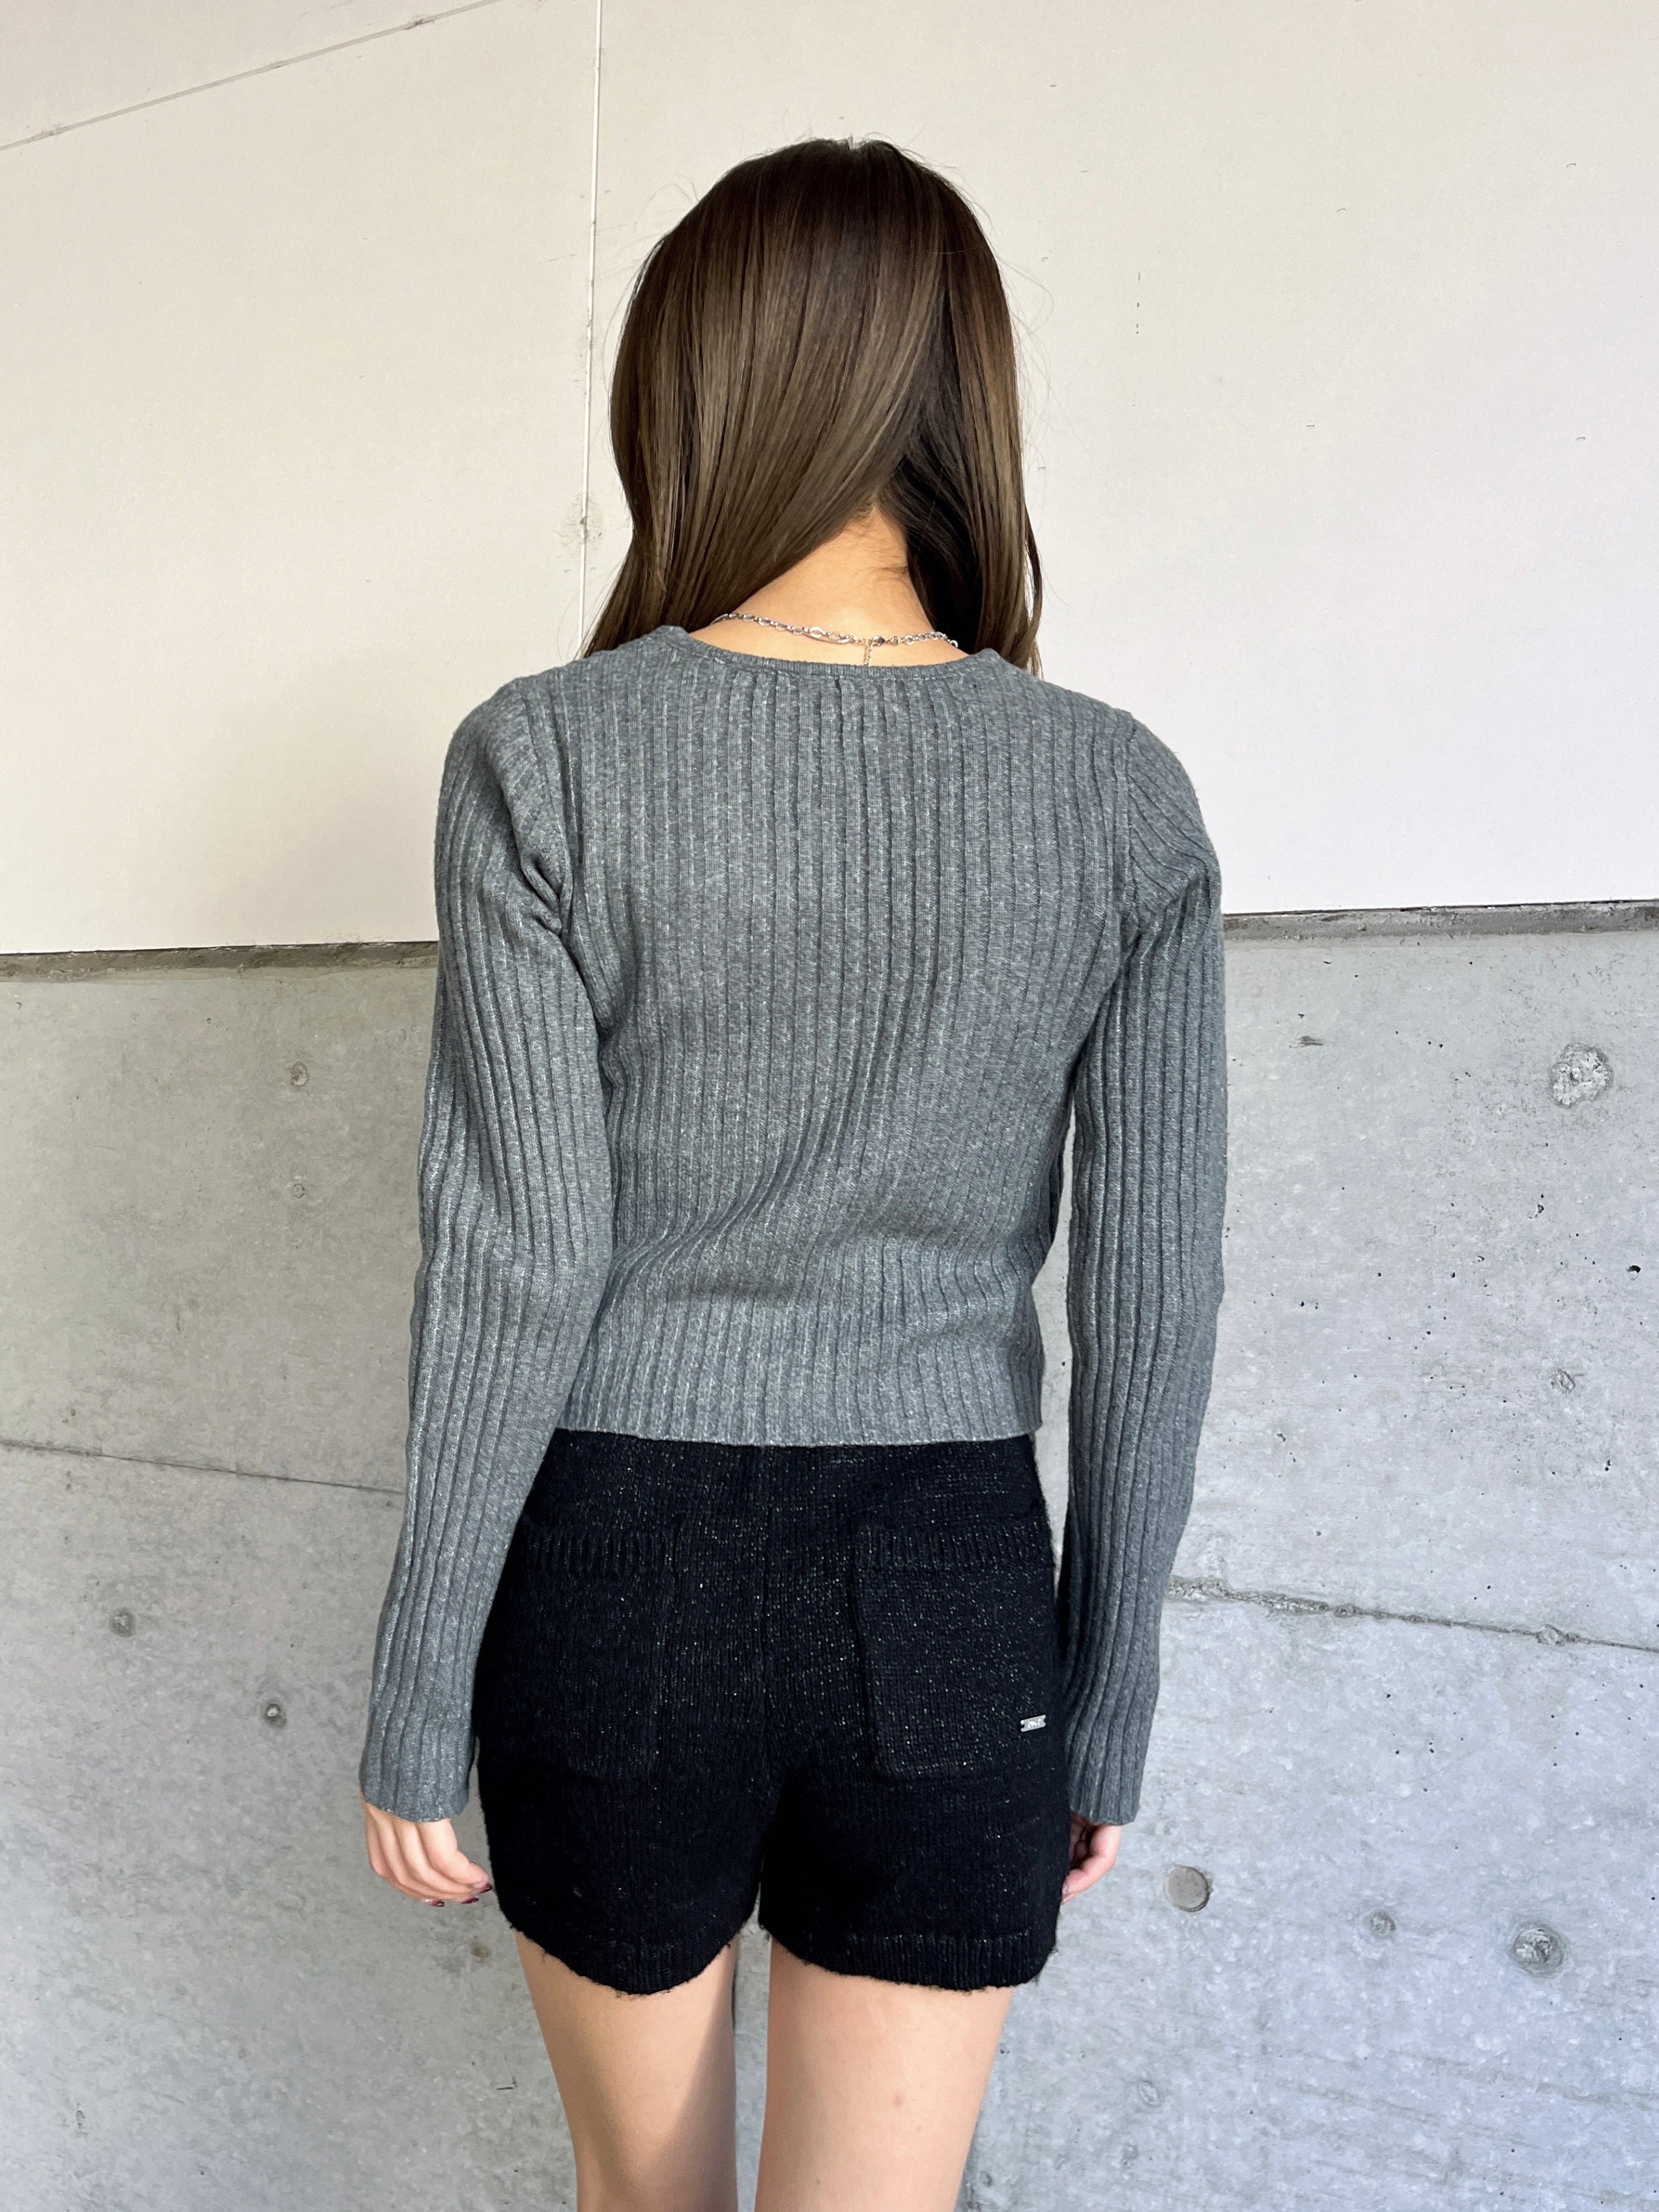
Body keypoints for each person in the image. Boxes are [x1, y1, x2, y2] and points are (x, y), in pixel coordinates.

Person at [357, 136, 1227, 2212]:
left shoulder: (545, 755)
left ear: (688, 391)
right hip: (947, 1592)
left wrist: (416, 1687)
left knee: (634, 2196)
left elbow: (512, 1261)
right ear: (963, 397)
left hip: (615, 1576)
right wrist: (1101, 1699)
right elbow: (1153, 1298)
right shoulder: (1114, 794)